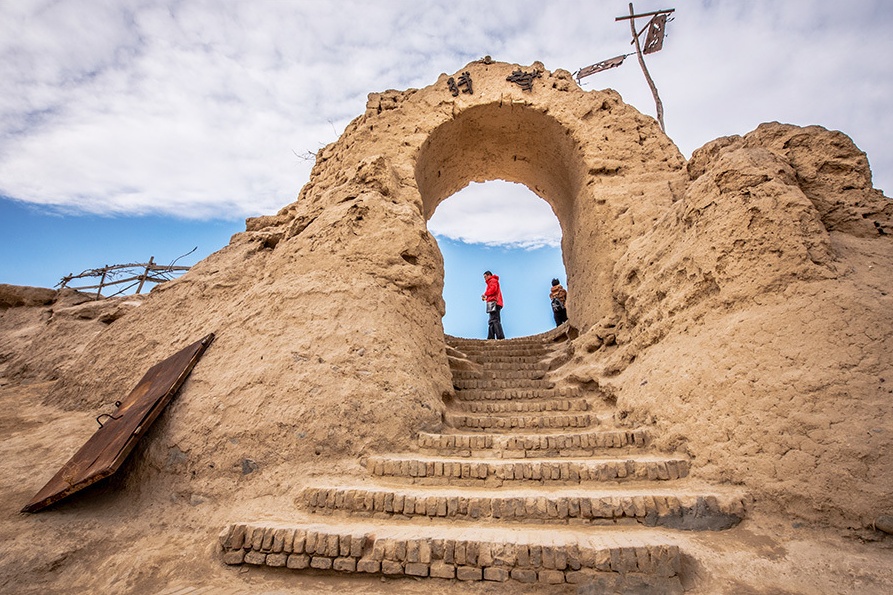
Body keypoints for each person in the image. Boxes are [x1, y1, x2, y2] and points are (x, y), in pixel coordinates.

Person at [481, 271, 505, 340]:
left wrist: (485, 294)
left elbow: (493, 289)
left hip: (495, 303)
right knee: (492, 320)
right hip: (493, 303)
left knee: (494, 320)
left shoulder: (493, 281)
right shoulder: (491, 282)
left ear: (489, 275)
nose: (484, 279)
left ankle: (500, 337)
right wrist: (486, 298)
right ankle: (491, 337)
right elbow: (493, 294)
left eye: (485, 277)